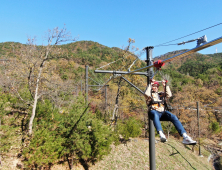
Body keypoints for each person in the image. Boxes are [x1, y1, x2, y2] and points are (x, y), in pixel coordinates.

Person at [144, 79, 196, 145]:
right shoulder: (150, 95)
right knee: (155, 115)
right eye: (154, 86)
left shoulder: (161, 94)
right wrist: (150, 85)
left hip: (162, 112)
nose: (155, 87)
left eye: (156, 86)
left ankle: (185, 136)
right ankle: (161, 133)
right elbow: (146, 94)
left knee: (173, 117)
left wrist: (165, 86)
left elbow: (169, 95)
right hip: (154, 112)